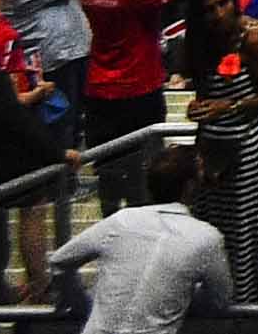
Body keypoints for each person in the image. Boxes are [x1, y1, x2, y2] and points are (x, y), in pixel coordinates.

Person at [45, 142, 236, 334]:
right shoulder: (206, 237)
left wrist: (84, 306)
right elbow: (220, 299)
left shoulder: (122, 220)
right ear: (190, 187)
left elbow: (59, 262)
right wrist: (181, 298)